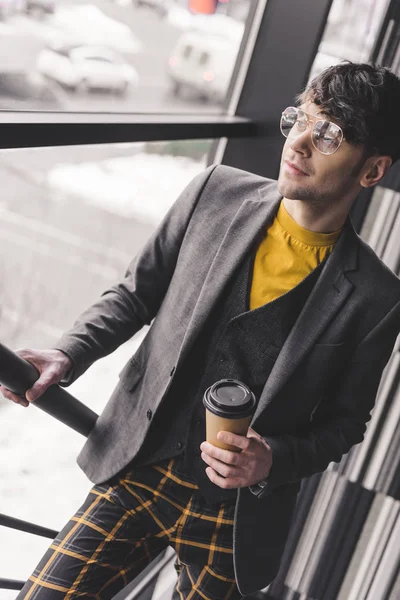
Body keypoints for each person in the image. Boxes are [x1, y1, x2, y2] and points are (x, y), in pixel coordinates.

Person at [3, 61, 400, 599]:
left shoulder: (376, 296)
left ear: (372, 171)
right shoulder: (215, 193)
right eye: (301, 119)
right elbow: (135, 293)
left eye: (328, 135)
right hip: (139, 470)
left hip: (234, 518)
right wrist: (68, 353)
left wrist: (271, 459)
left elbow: (345, 425)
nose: (299, 143)